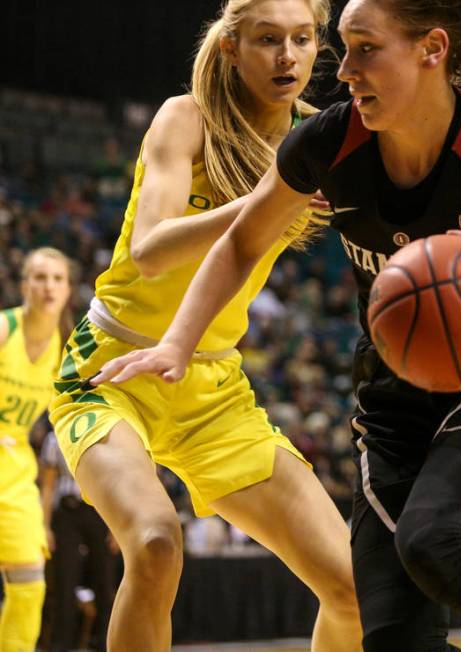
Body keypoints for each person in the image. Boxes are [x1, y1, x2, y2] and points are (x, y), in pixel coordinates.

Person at [90, 1, 461, 649]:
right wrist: (177, 343)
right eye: (341, 49)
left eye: (364, 49)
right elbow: (239, 241)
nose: (342, 70)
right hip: (393, 405)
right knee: (392, 636)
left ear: (430, 49)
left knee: (433, 541)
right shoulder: (328, 141)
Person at [47, 1, 361, 650]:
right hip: (111, 370)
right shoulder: (183, 117)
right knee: (156, 544)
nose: (287, 56)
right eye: (267, 39)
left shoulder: (323, 136)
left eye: (302, 39)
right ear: (230, 47)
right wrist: (274, 195)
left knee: (354, 589)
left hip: (214, 387)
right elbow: (151, 247)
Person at [0, 248, 72, 652]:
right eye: (40, 277)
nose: (48, 286)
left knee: (29, 586)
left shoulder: (62, 352)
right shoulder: (4, 329)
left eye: (57, 279)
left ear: (67, 289)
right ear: (24, 284)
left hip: (15, 475)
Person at [39, 431, 119, 652]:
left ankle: (104, 644)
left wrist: (117, 527)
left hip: (101, 512)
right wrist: (44, 526)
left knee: (104, 582)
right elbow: (48, 486)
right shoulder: (54, 437)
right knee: (64, 582)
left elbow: (115, 483)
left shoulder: (106, 431)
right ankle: (60, 646)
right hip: (66, 513)